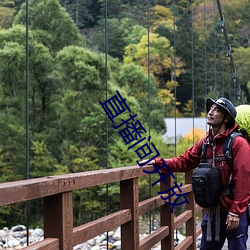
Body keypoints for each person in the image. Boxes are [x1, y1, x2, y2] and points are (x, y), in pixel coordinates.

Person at [139, 97, 250, 250]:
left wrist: (236, 212)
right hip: (213, 210)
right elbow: (184, 161)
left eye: (216, 110)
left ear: (227, 118)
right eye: (210, 109)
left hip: (233, 211)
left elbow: (244, 178)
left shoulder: (238, 143)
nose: (210, 112)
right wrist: (158, 162)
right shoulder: (205, 143)